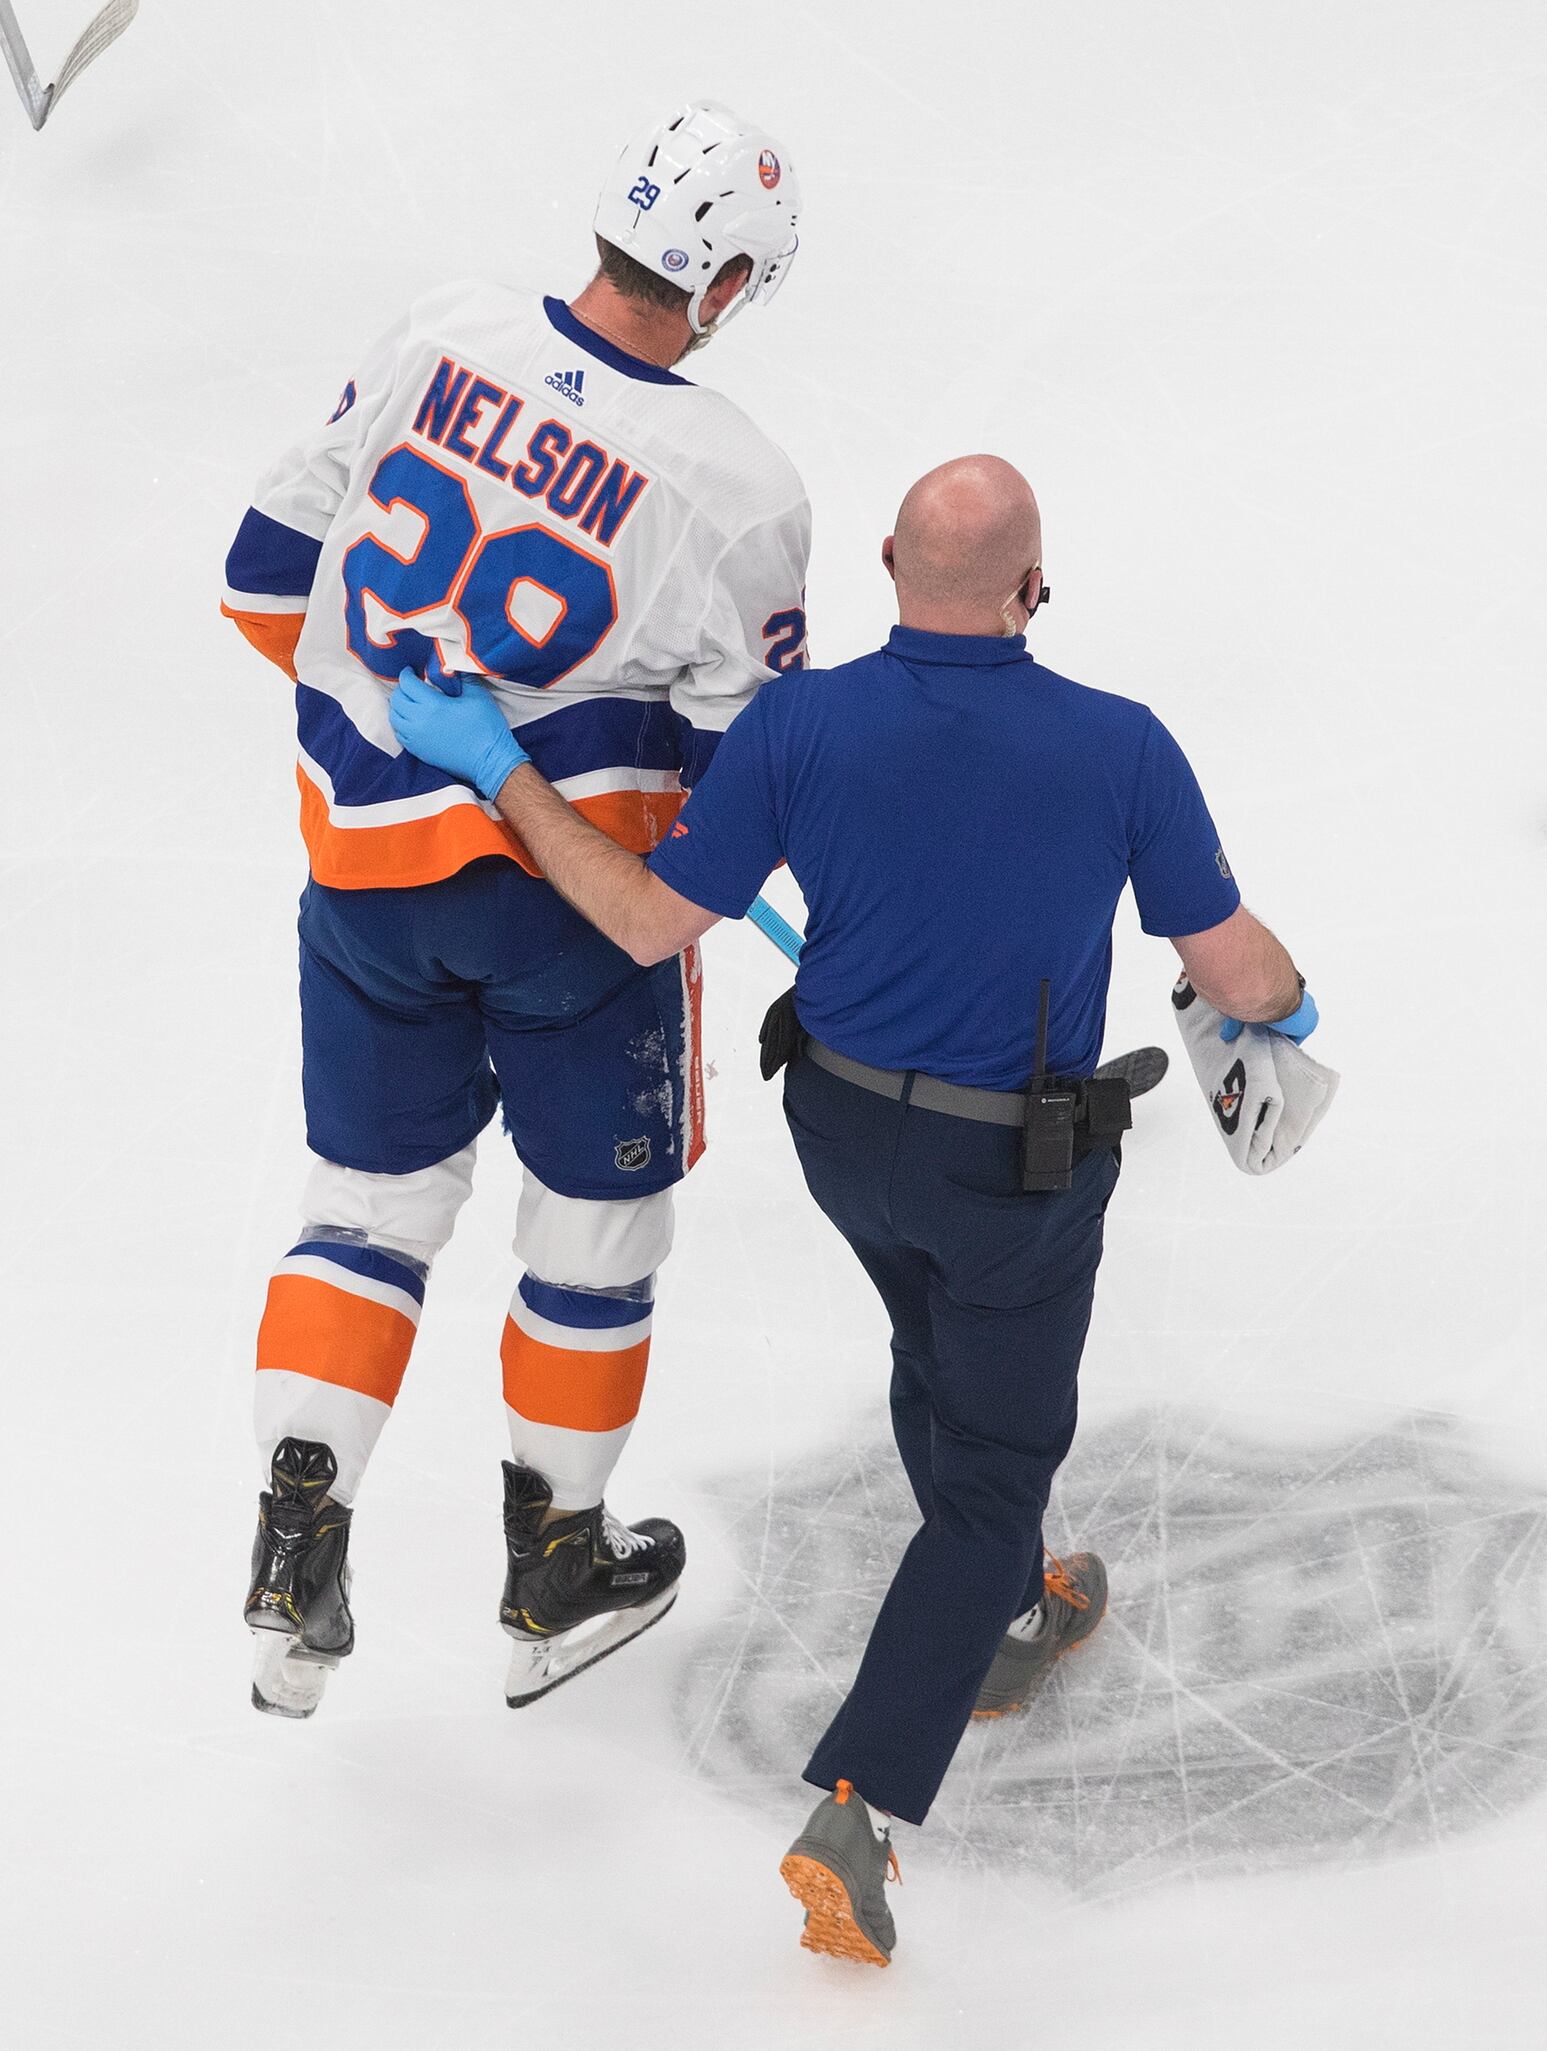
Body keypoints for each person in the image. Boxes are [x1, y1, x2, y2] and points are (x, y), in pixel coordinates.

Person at [386, 454, 1321, 1964]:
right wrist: (1290, 996)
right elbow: (1239, 975)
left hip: (840, 1138)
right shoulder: (1121, 749)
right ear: (1036, 587)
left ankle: (1014, 1612)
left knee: (927, 1339)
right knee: (1000, 1459)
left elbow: (639, 919)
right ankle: (862, 1799)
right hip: (1009, 1176)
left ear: (888, 564)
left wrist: (495, 763)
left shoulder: (800, 724)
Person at [221, 100, 810, 1720]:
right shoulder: (743, 487)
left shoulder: (439, 328)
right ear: (730, 285)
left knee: (365, 1212)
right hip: (573, 923)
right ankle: (554, 1571)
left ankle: (291, 1557)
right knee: (595, 1232)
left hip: (361, 886)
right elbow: (742, 774)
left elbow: (265, 584)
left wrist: (395, 750)